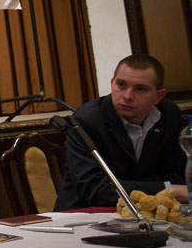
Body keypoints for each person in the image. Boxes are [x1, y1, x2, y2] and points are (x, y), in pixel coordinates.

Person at [54, 53, 188, 211]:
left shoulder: (169, 115)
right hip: (86, 214)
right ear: (112, 83)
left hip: (149, 211)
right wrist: (169, 189)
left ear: (158, 96)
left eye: (140, 89)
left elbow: (179, 174)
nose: (128, 96)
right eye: (121, 85)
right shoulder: (86, 121)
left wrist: (141, 187)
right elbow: (96, 190)